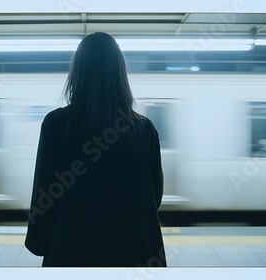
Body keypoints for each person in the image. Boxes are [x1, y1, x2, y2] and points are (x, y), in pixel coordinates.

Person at [25, 32, 166, 267]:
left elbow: (44, 195)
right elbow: (155, 197)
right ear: (120, 74)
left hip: (70, 254)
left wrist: (38, 241)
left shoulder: (57, 124)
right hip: (133, 255)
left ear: (77, 73)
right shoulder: (144, 130)